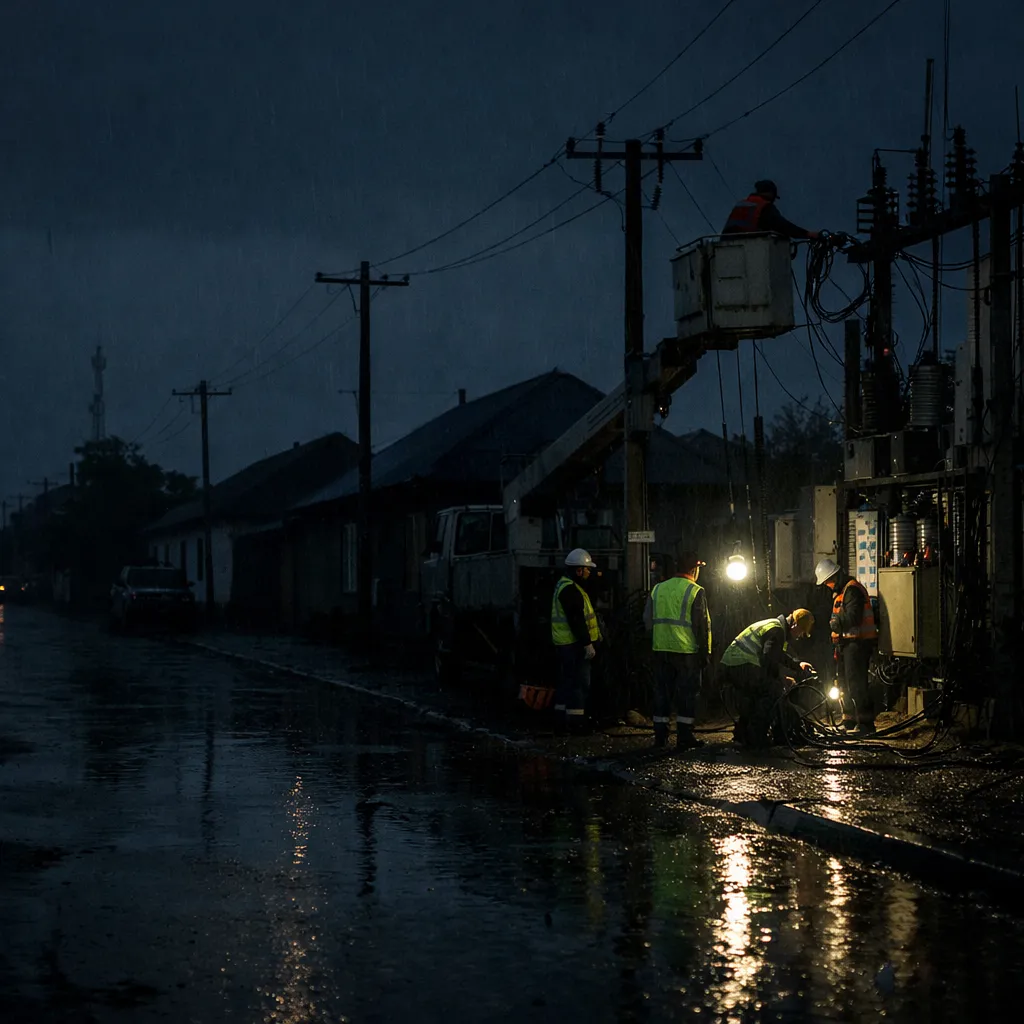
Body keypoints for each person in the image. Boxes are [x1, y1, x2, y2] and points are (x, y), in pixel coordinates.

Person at [643, 548, 711, 750]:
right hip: (686, 652)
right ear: (694, 569)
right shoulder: (695, 591)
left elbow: (647, 620)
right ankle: (684, 737)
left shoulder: (658, 589)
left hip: (661, 650)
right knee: (687, 695)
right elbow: (701, 625)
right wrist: (704, 653)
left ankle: (660, 737)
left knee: (662, 694)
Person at [719, 609, 816, 747]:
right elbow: (769, 659)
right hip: (741, 664)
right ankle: (757, 738)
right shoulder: (777, 630)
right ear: (795, 625)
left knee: (756, 695)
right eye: (800, 632)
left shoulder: (775, 627)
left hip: (733, 664)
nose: (799, 636)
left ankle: (743, 734)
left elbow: (776, 654)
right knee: (772, 692)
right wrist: (781, 679)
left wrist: (797, 665)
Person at [814, 557, 878, 734]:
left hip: (857, 644)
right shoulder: (842, 591)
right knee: (843, 684)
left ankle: (865, 723)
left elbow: (853, 618)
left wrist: (836, 622)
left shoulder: (852, 590)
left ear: (833, 577)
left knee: (856, 684)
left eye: (827, 582)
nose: (827, 586)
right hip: (846, 645)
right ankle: (849, 720)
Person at [551, 548, 603, 734]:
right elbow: (577, 620)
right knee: (579, 684)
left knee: (566, 683)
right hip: (573, 645)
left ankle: (561, 721)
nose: (589, 572)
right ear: (578, 570)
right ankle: (576, 724)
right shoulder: (571, 590)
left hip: (565, 644)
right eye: (587, 569)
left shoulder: (564, 585)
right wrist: (587, 644)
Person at [721, 179, 819, 240]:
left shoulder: (742, 204)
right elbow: (782, 226)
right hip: (750, 249)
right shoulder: (764, 207)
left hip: (726, 248)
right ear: (771, 194)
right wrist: (807, 234)